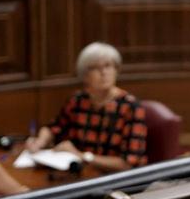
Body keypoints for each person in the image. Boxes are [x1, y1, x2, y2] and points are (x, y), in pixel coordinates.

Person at [24, 42, 146, 171]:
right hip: (80, 172)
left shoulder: (131, 107)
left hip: (114, 180)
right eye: (95, 68)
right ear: (85, 75)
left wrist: (81, 156)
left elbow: (128, 164)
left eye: (108, 66)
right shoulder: (78, 100)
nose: (103, 72)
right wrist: (39, 142)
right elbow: (54, 127)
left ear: (116, 70)